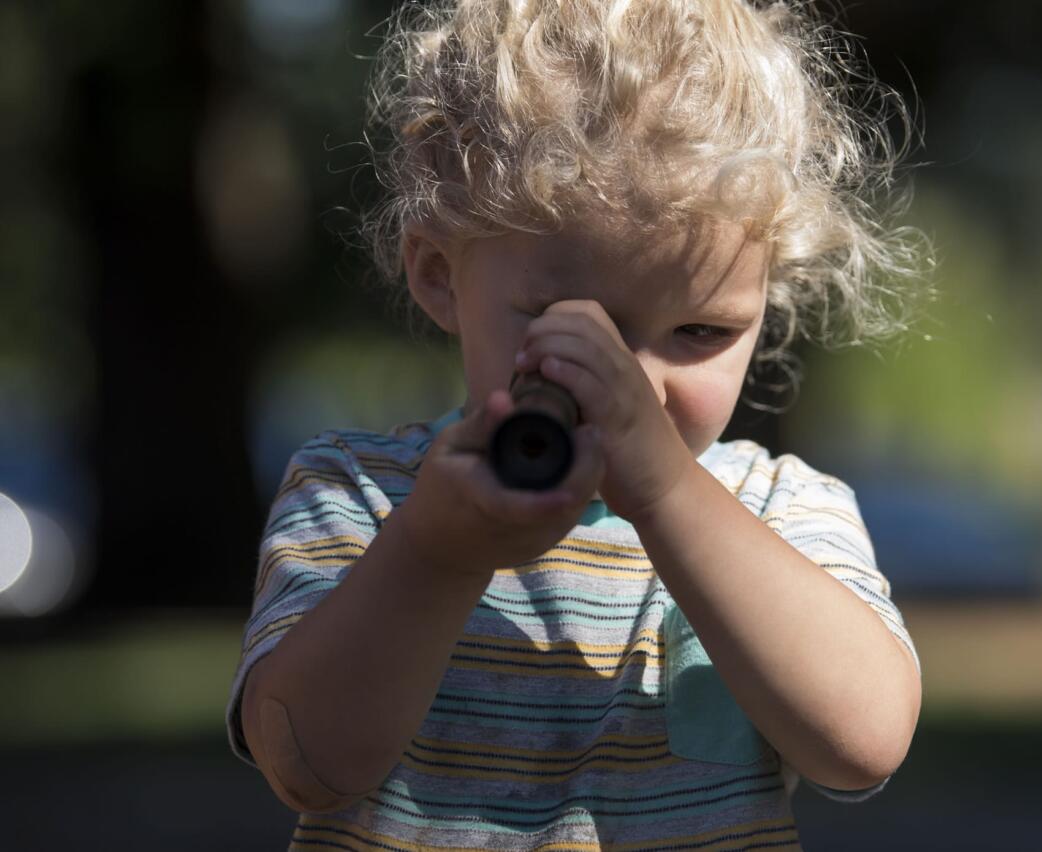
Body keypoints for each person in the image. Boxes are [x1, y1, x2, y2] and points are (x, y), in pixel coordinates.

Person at [226, 0, 929, 848]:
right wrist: (435, 553)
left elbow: (864, 743)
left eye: (701, 333)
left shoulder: (781, 510)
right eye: (571, 319)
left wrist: (668, 493)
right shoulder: (360, 495)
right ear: (440, 273)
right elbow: (307, 764)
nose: (631, 387)